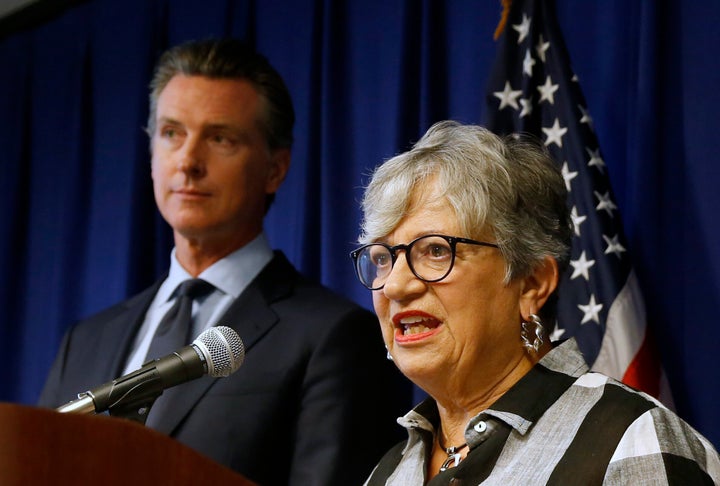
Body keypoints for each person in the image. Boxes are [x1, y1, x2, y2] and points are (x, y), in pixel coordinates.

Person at [38, 38, 409, 486]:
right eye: (172, 133)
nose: (189, 162)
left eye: (220, 138)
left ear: (275, 168)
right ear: (152, 151)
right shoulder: (85, 340)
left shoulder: (333, 337)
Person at [350, 120, 720, 485]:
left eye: (435, 250)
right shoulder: (387, 474)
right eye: (383, 257)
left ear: (532, 283)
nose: (395, 285)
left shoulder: (629, 441)